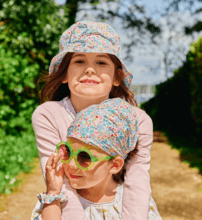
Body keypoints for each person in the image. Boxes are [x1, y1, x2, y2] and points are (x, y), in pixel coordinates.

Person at [31, 20, 156, 220]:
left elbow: (137, 178)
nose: (90, 69)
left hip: (123, 209)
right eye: (79, 61)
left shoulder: (138, 120)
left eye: (101, 62)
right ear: (64, 74)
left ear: (117, 77)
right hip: (65, 208)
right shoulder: (48, 115)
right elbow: (59, 179)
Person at [32, 98, 162, 220]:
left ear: (115, 165)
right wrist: (53, 192)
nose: (71, 164)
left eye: (84, 157)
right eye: (68, 151)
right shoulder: (57, 200)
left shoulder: (132, 204)